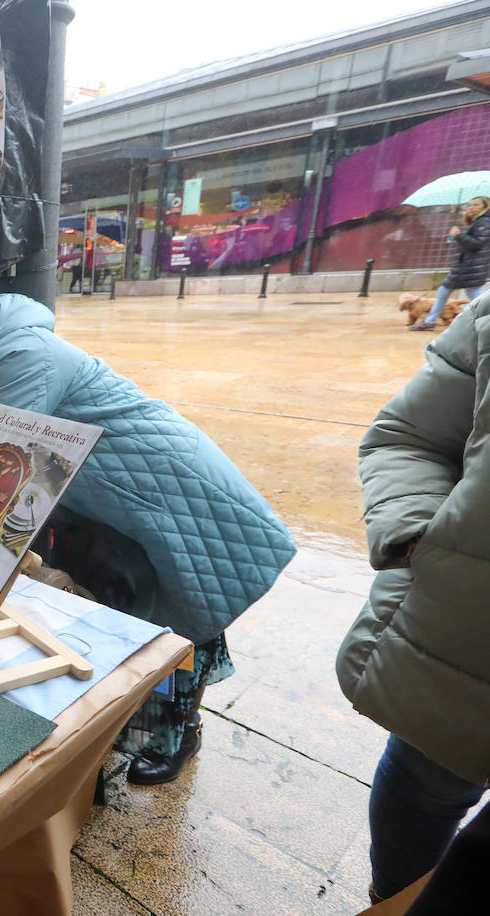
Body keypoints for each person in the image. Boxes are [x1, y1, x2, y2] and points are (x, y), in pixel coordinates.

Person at [0, 273, 294, 784]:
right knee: (133, 606)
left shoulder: (20, 355)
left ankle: (175, 734)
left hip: (165, 486)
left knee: (185, 608)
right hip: (111, 498)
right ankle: (132, 726)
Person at [335, 292, 490, 902]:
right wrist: (414, 540)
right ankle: (390, 899)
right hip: (461, 634)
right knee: (424, 785)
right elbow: (407, 437)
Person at [411, 196, 490, 330]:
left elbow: (477, 244)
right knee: (467, 294)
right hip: (468, 266)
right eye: (469, 205)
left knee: (460, 293)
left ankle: (430, 322)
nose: (471, 207)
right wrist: (459, 234)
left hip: (470, 267)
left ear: (485, 207)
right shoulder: (477, 222)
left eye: (476, 205)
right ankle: (431, 321)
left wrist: (459, 235)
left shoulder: (484, 223)